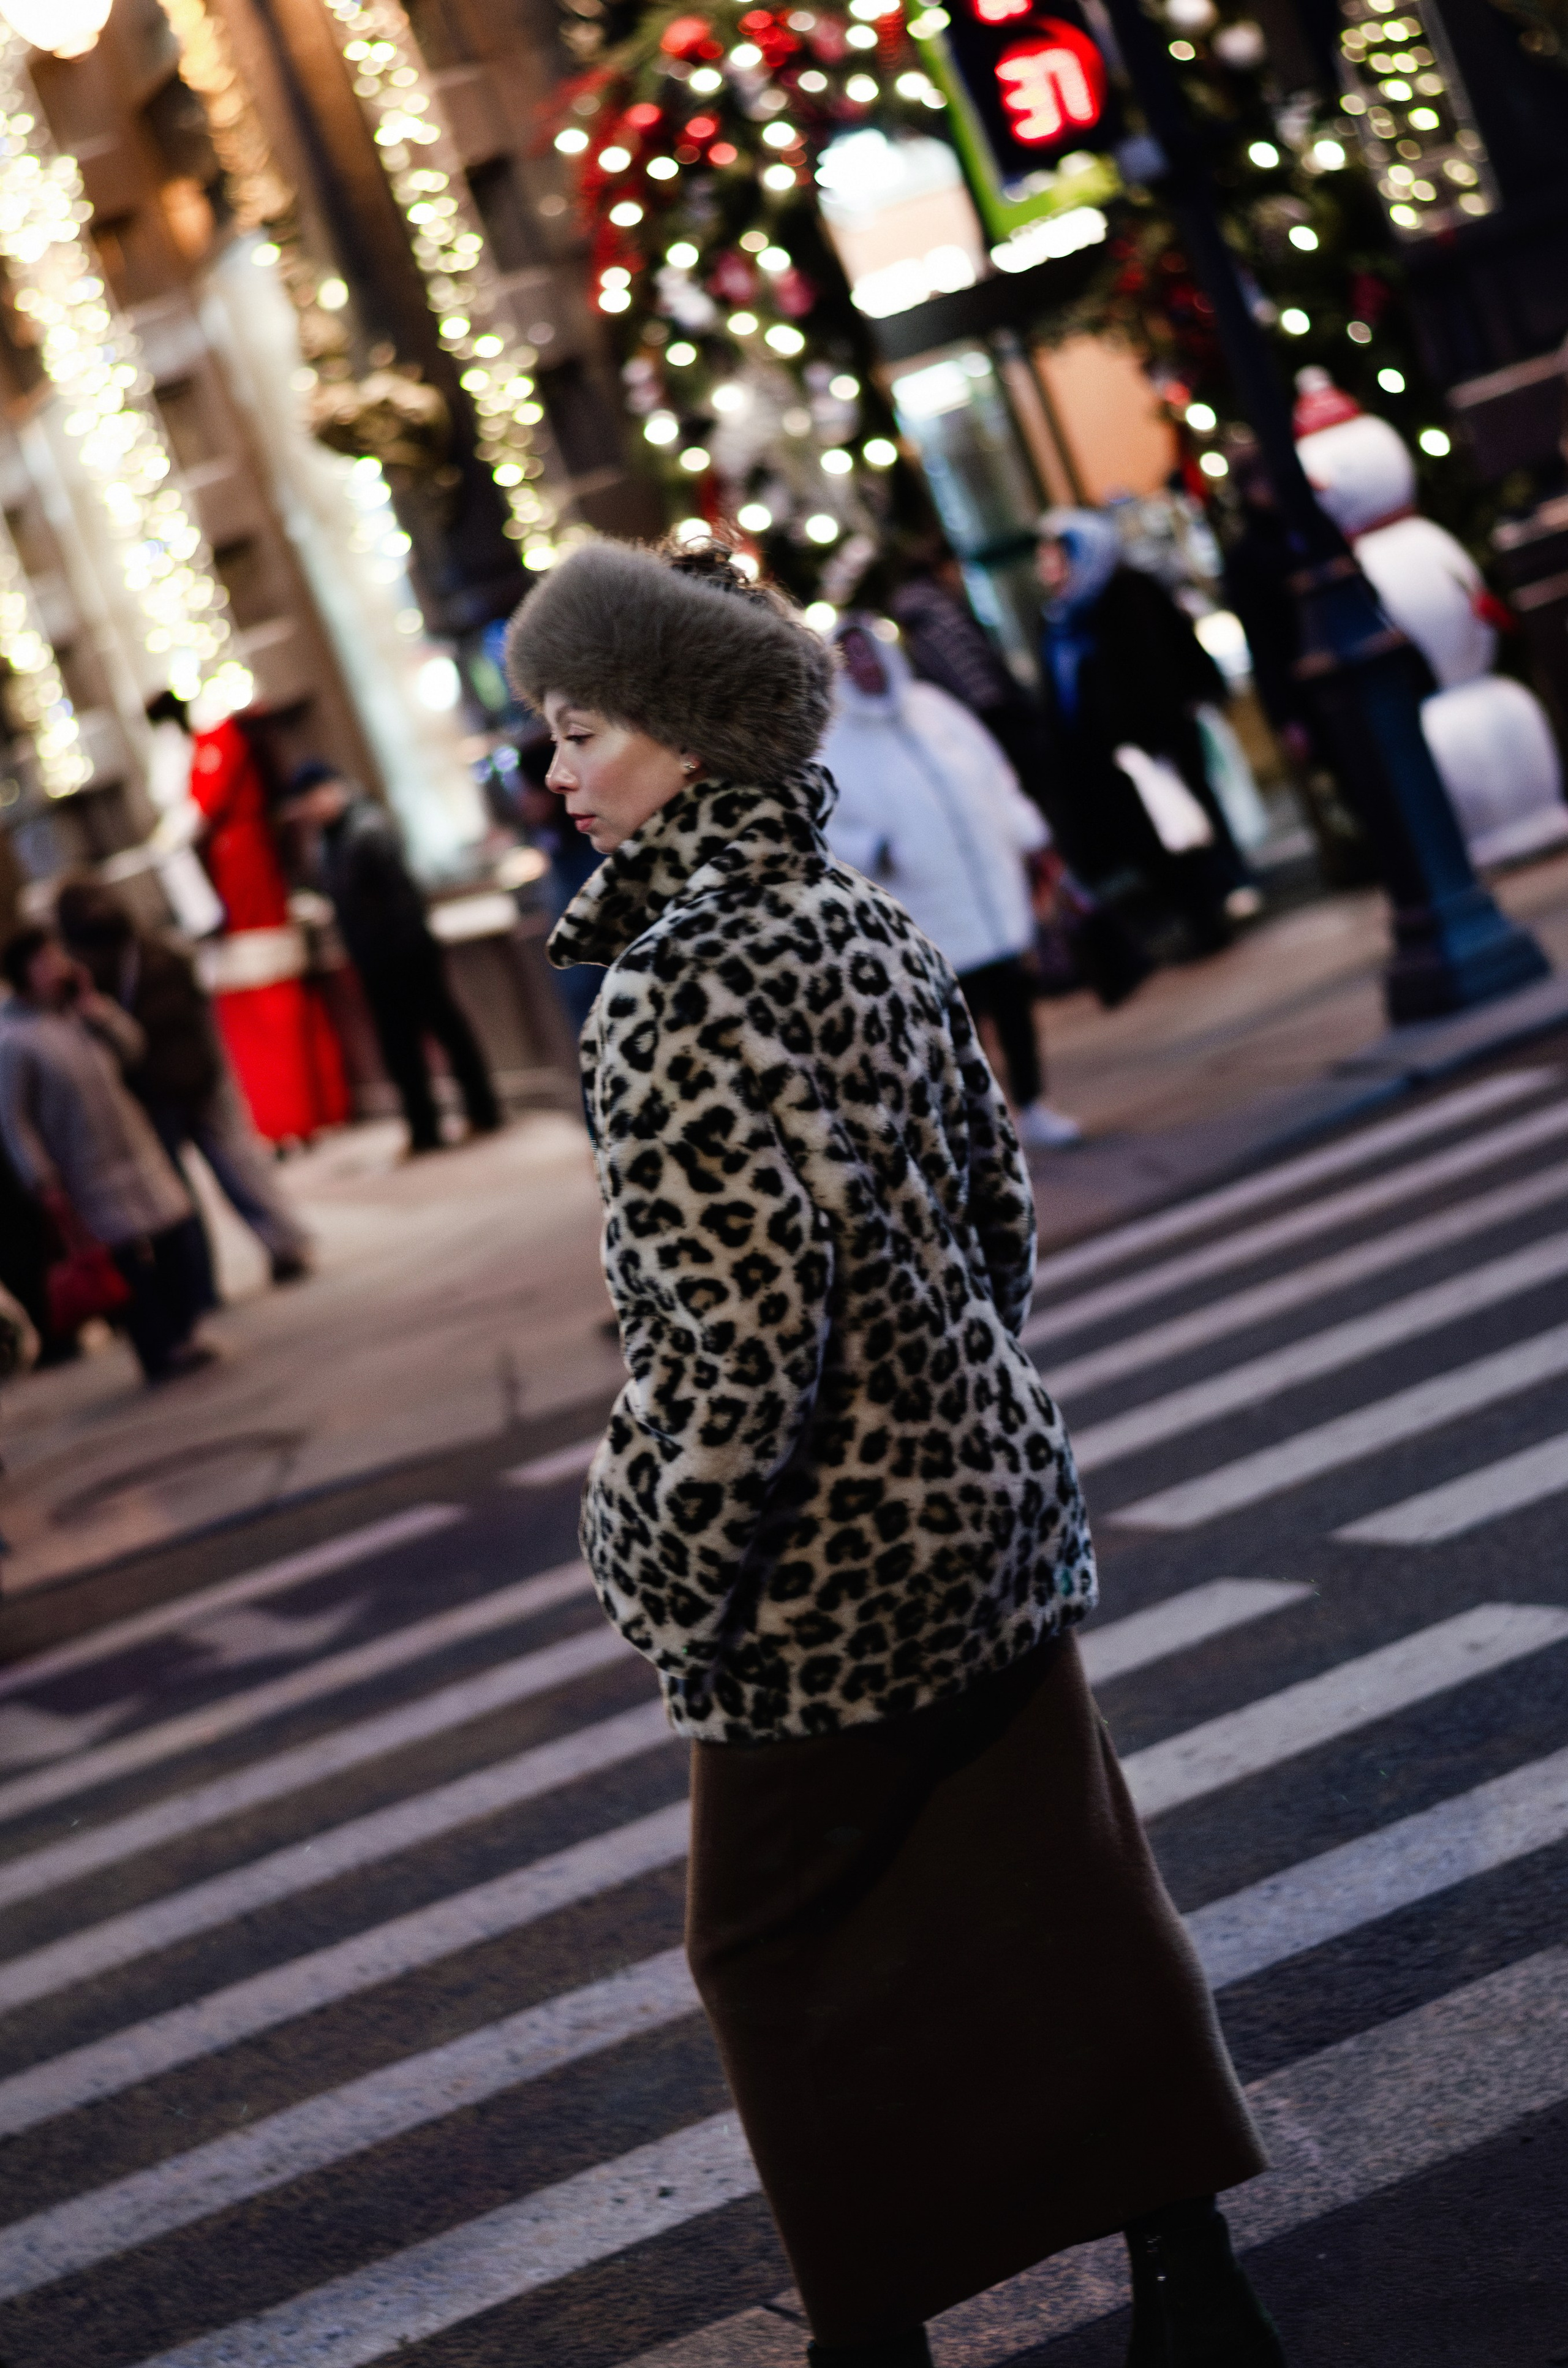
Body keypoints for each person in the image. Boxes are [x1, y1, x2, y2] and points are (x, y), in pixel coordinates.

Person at [504, 532, 1284, 2368]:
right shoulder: (866, 924)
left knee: (768, 1952)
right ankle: (1191, 2275)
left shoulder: (669, 993)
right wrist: (947, 1400)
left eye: (580, 727)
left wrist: (657, 1547)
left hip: (815, 1578)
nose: (556, 773)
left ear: (686, 737)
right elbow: (997, 1221)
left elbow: (737, 1342)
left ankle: (875, 2324)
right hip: (989, 1509)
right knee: (1063, 1890)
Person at [820, 615, 1080, 1151]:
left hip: (988, 892)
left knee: (1015, 1007)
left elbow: (993, 772)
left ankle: (1032, 1102)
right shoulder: (834, 742)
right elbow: (827, 825)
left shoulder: (936, 709)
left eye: (869, 652)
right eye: (852, 658)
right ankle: (981, 1126)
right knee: (956, 1029)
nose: (866, 666)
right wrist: (879, 851)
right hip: (925, 909)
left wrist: (1026, 831)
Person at [55, 881, 313, 1291]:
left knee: (179, 1192)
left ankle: (201, 1284)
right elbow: (201, 1014)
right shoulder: (160, 951)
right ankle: (285, 1243)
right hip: (201, 1074)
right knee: (237, 1165)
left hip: (152, 1091)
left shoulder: (85, 975)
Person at [0, 926, 212, 1383]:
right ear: (23, 972)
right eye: (44, 960)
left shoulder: (77, 1012)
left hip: (133, 1146)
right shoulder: (13, 1038)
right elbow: (13, 1119)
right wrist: (40, 1179)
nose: (55, 967)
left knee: (177, 1236)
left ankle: (184, 1331)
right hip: (81, 1166)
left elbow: (134, 1049)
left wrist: (94, 1006)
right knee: (125, 1266)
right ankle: (160, 1349)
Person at [1037, 510, 1251, 954]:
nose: (1048, 565)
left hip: (1155, 740)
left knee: (1185, 824)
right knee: (1150, 839)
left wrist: (1162, 725)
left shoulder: (1129, 592)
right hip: (1106, 757)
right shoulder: (1061, 617)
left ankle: (1213, 908)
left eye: (1056, 553)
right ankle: (1190, 914)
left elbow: (1164, 661)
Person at [274, 763, 501, 1156]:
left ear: (331, 790)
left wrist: (402, 947)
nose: (310, 810)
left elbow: (400, 898)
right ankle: (424, 1128)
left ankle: (482, 1113)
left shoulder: (367, 830)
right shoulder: (331, 840)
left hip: (404, 953)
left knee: (444, 1031)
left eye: (312, 799)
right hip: (374, 959)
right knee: (401, 1047)